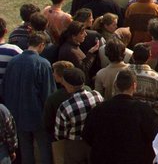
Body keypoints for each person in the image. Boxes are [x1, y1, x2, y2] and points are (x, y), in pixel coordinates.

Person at [82, 69, 158, 164]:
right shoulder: (143, 110)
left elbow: (87, 136)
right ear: (134, 86)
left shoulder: (99, 109)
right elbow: (156, 135)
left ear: (116, 85)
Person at [2, 32, 56, 164]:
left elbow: (5, 87)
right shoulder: (43, 64)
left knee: (26, 151)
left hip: (17, 114)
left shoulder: (13, 62)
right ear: (41, 45)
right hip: (38, 115)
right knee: (44, 149)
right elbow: (48, 93)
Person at [54, 67, 104, 164]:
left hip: (74, 145)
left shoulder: (66, 106)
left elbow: (60, 134)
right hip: (94, 142)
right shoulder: (97, 96)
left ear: (70, 85)